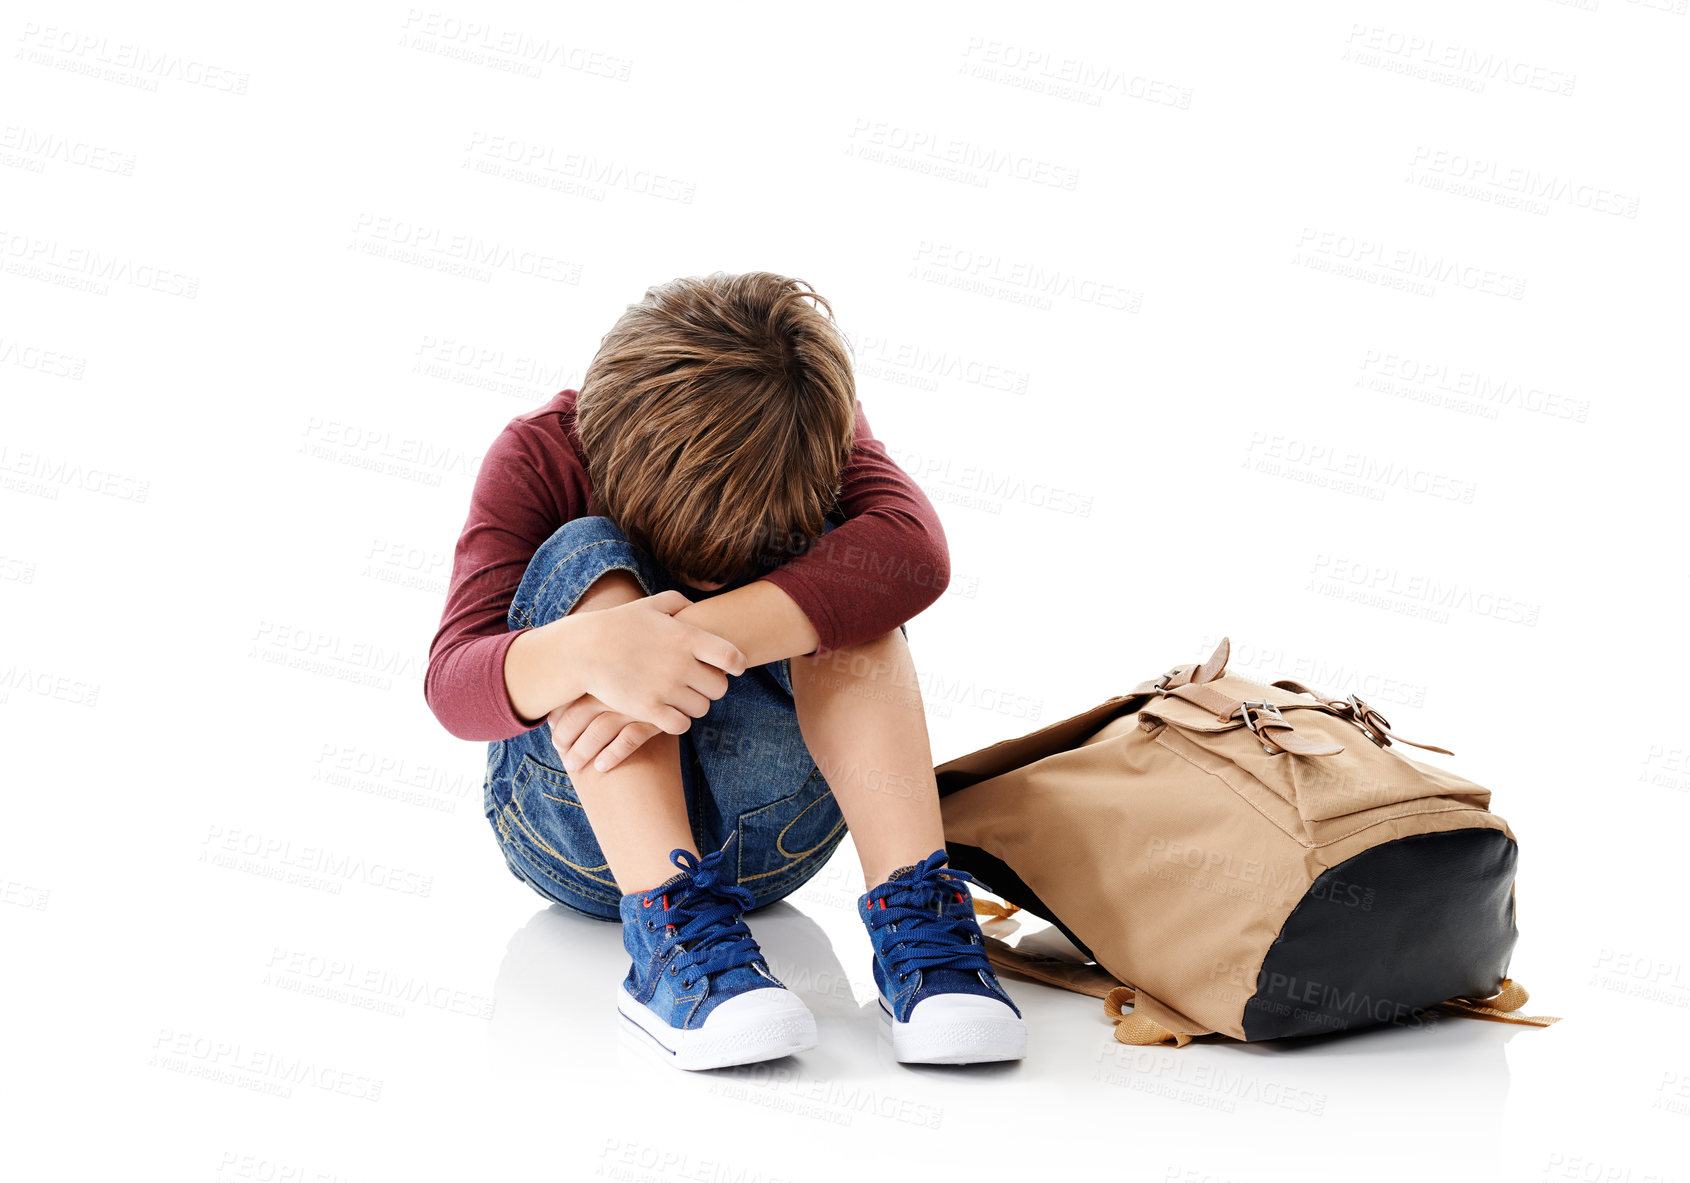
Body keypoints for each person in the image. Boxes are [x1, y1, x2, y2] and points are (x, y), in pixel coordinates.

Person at [425, 272, 1024, 1069]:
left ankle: (920, 925)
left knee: (860, 586)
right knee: (584, 554)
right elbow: (452, 684)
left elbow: (918, 552)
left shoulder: (806, 422)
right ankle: (672, 939)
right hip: (582, 838)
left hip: (781, 835)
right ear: (601, 440)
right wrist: (596, 650)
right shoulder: (542, 450)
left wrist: (678, 641)